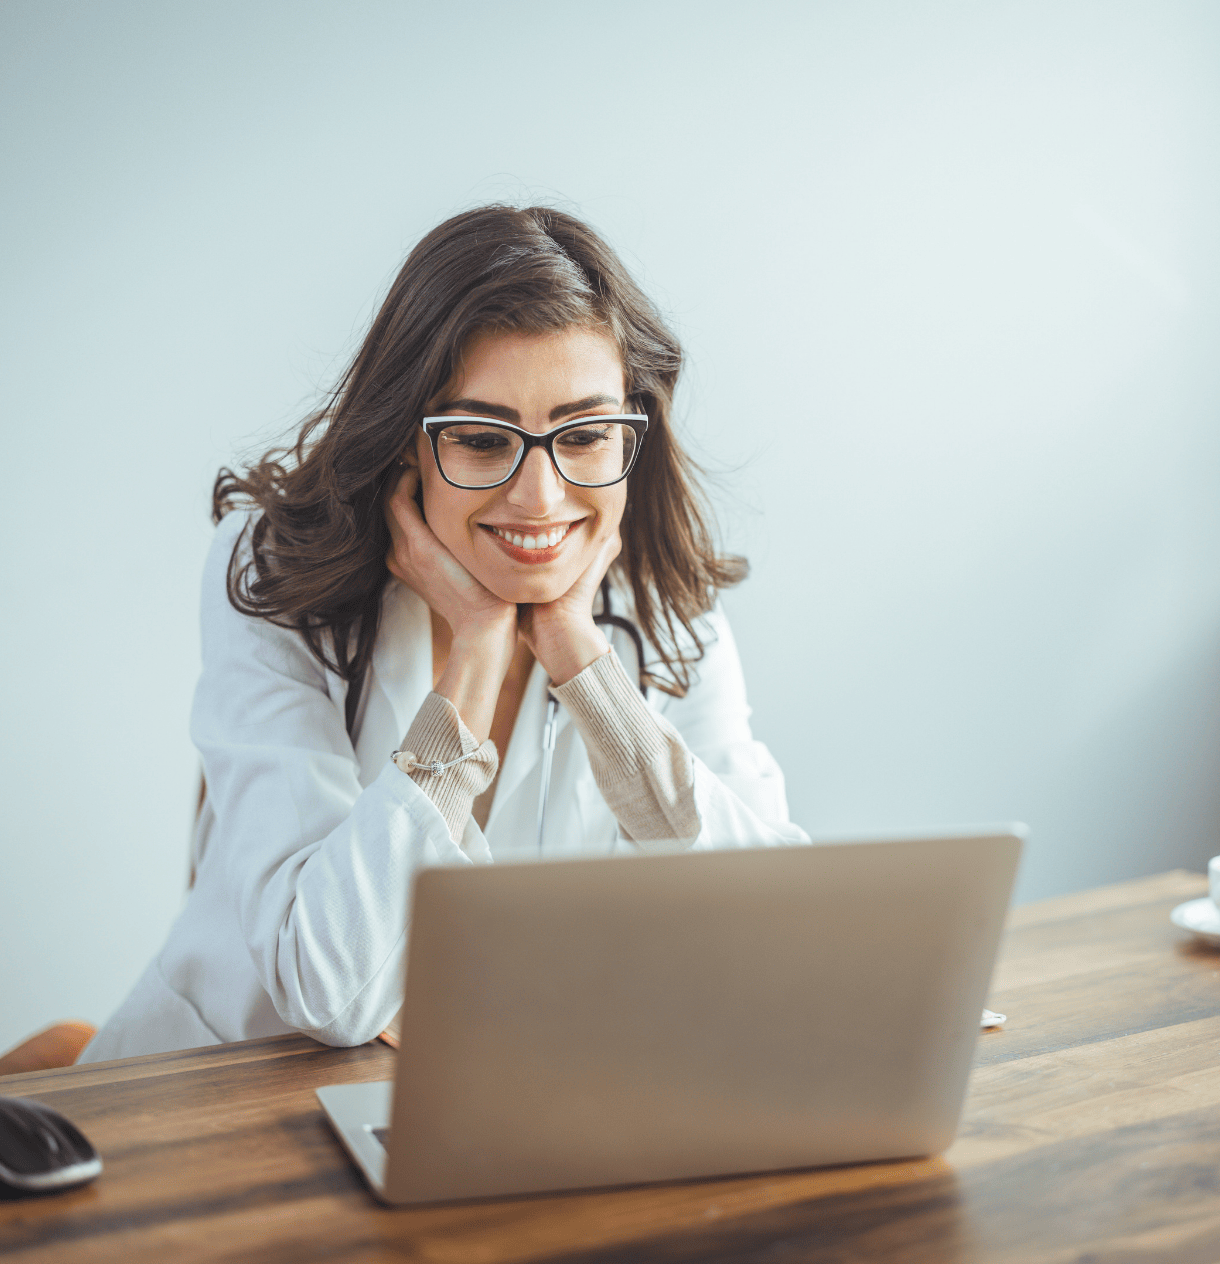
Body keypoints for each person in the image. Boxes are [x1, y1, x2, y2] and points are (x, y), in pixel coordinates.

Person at [81, 206, 807, 1063]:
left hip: (486, 1107)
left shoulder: (663, 604)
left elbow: (773, 933)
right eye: (478, 438)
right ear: (406, 446)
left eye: (583, 435)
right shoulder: (273, 573)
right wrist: (472, 656)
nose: (540, 496)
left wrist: (583, 662)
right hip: (217, 1097)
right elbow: (328, 989)